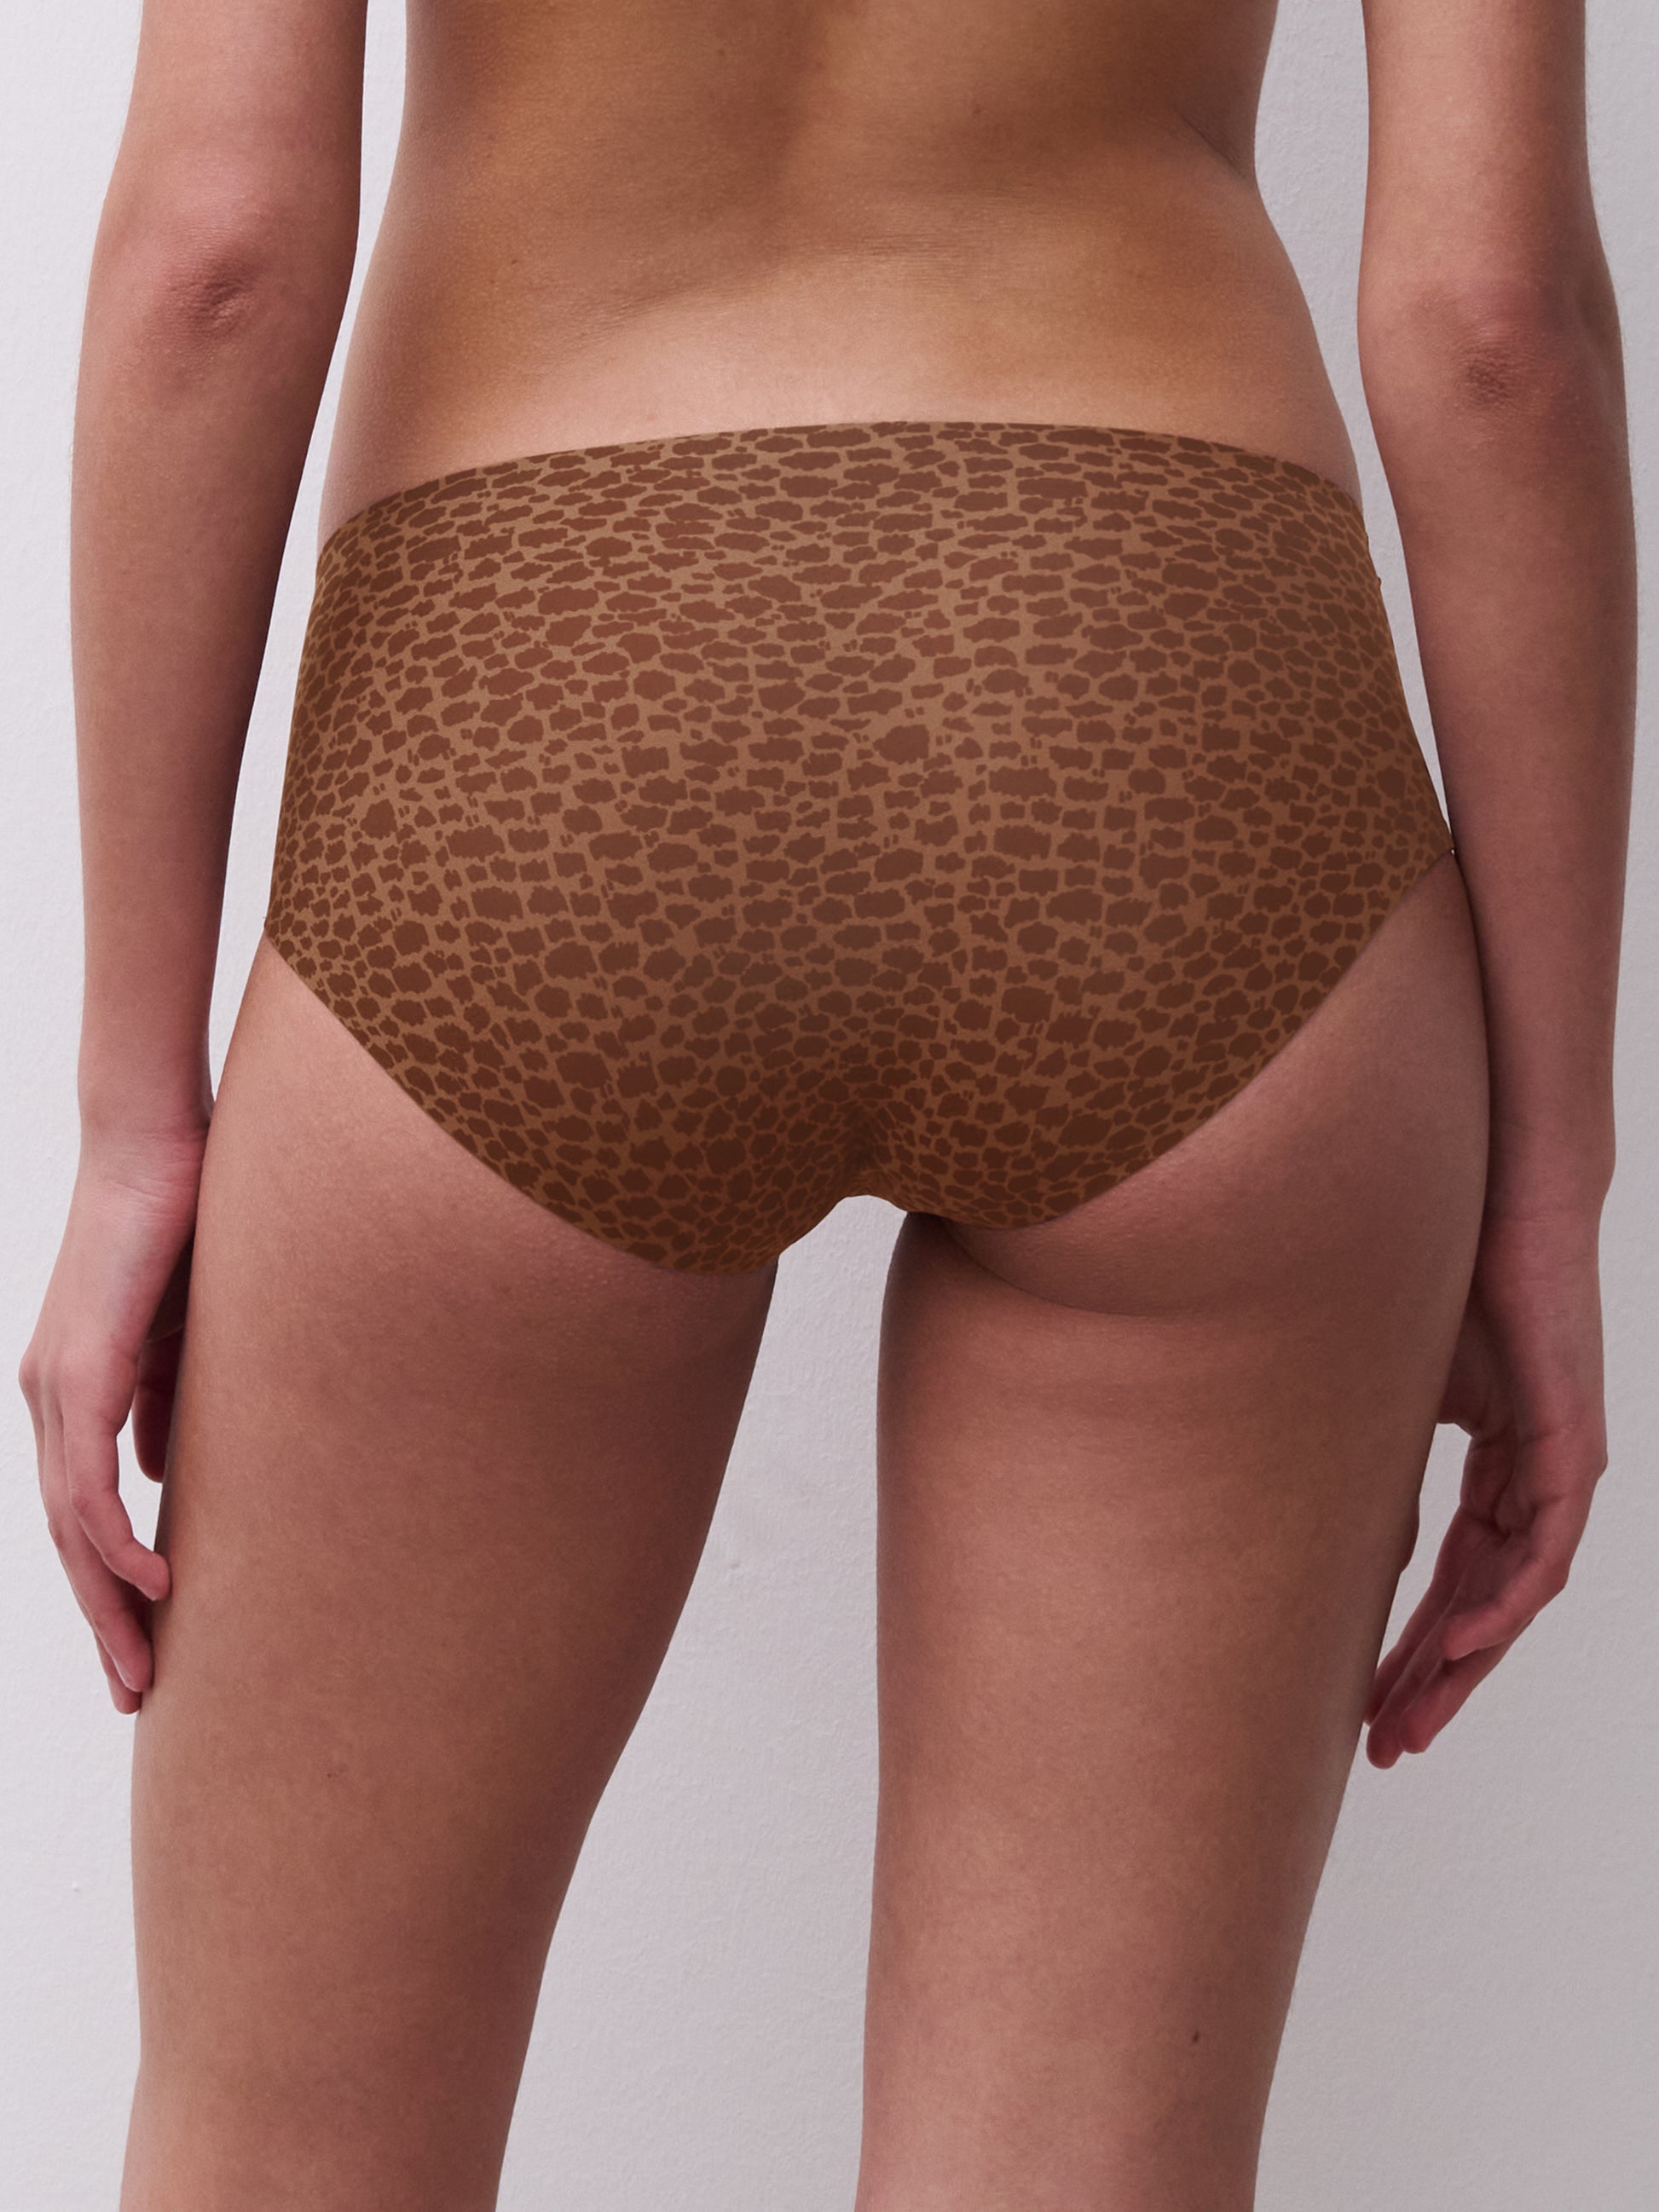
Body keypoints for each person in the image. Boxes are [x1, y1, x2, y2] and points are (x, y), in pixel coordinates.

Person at [18, 0, 1633, 2203]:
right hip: (1179, 724)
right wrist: (1552, 1171)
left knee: (284, 2153)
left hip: (544, 733)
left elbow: (212, 255)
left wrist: (136, 1107)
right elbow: (1495, 325)